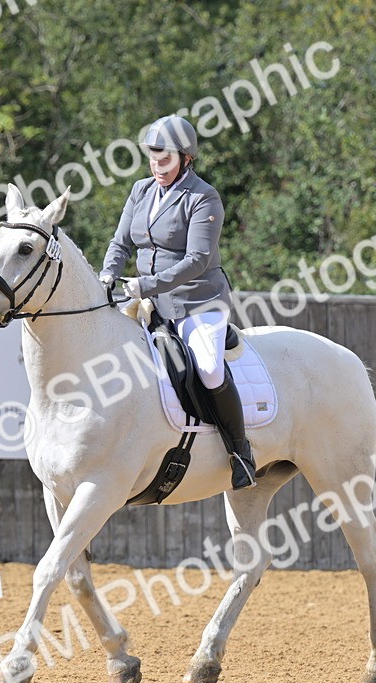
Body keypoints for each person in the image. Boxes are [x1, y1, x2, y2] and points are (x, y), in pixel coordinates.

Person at [99, 114, 256, 489]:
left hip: (197, 303)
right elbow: (121, 242)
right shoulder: (140, 191)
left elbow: (198, 259)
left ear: (186, 159)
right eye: (153, 159)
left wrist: (147, 284)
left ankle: (240, 452)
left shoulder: (203, 197)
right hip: (149, 303)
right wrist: (107, 272)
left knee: (210, 369)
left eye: (165, 159)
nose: (157, 167)